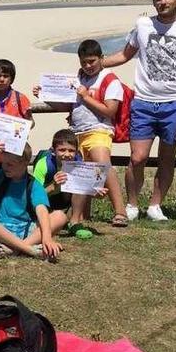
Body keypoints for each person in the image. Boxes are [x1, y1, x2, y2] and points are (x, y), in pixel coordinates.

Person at [103, 0, 176, 221]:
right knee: (137, 158)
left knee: (166, 158)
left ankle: (155, 206)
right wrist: (96, 65)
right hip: (143, 102)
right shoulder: (142, 25)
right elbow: (125, 54)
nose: (162, 2)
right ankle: (132, 204)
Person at [33, 39, 128, 227]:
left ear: (102, 58)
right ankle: (82, 216)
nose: (88, 66)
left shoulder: (110, 79)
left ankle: (120, 211)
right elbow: (68, 104)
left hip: (99, 129)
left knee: (103, 165)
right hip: (77, 132)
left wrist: (85, 96)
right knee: (83, 173)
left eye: (92, 61)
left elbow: (110, 110)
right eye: (84, 62)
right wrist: (44, 96)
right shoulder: (79, 77)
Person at [0, 142, 66, 261]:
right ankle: (28, 250)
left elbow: (42, 211)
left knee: (60, 216)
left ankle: (13, 249)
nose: (5, 167)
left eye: (10, 164)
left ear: (25, 163)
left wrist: (47, 238)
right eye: (3, 163)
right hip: (0, 232)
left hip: (25, 231)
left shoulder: (33, 184)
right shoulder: (0, 176)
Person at [30, 130, 96, 239]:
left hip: (67, 204)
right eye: (62, 150)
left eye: (71, 151)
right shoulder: (43, 164)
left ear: (76, 151)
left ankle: (74, 223)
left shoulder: (79, 165)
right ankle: (48, 221)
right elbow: (34, 196)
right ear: (53, 151)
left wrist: (97, 193)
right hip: (47, 204)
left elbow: (86, 191)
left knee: (81, 185)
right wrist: (53, 186)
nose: (67, 154)